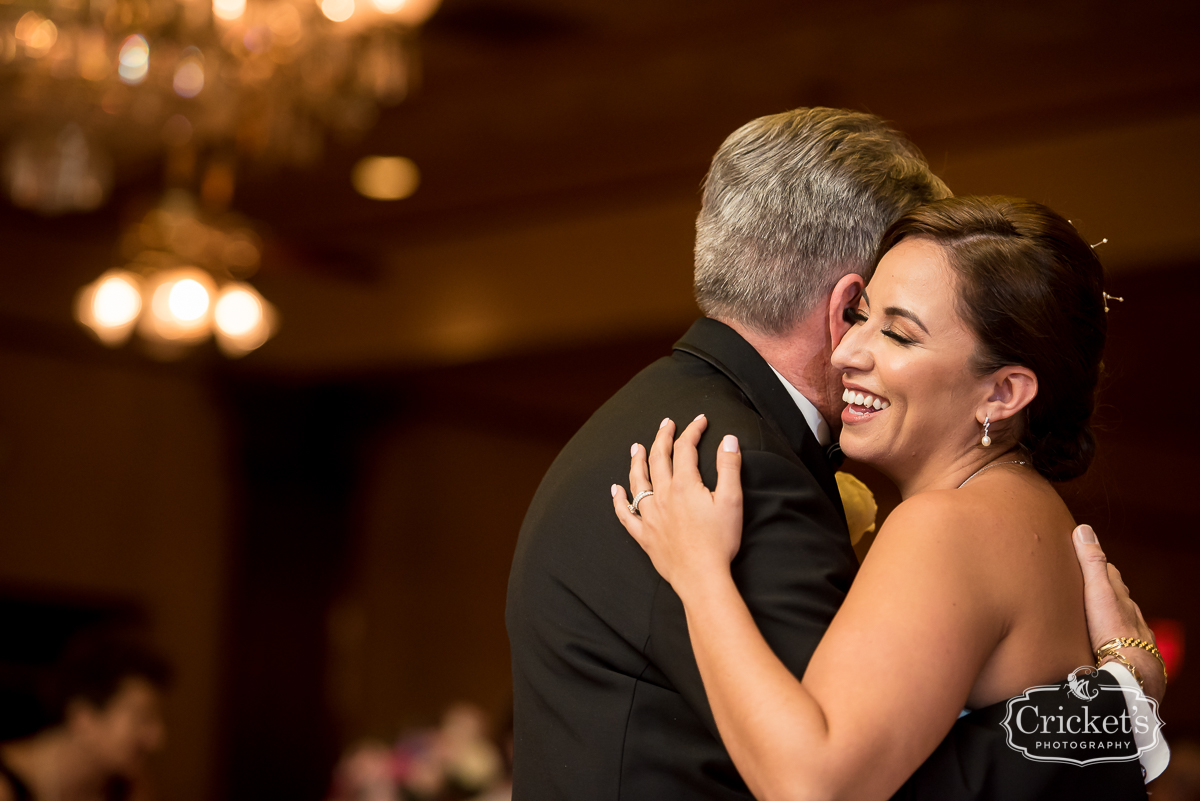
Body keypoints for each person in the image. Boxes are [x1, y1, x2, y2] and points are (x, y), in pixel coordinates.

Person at [505, 108, 1163, 800]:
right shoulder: (1026, 508)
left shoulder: (942, 522)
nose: (849, 349)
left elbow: (820, 783)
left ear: (1003, 391)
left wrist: (700, 574)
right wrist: (1124, 708)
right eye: (862, 316)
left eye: (898, 332)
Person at [0, 634, 170, 801]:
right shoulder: (6, 786)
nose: (157, 739)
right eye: (142, 719)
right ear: (84, 718)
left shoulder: (129, 788)